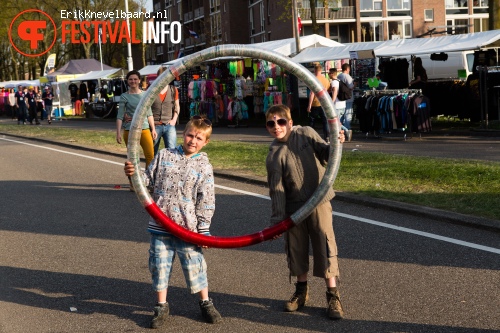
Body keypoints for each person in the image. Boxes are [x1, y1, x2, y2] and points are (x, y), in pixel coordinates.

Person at [123, 116, 222, 329]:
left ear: (205, 142)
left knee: (195, 265)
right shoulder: (164, 155)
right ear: (182, 133)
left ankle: (205, 302)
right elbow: (146, 181)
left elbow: (206, 199)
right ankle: (161, 306)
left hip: (188, 230)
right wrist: (133, 175)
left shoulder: (204, 167)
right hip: (161, 226)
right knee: (159, 266)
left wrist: (203, 230)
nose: (192, 140)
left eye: (199, 138)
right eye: (190, 135)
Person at [265, 104, 345, 320]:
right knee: (296, 249)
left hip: (319, 201)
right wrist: (277, 222)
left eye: (281, 121)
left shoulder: (306, 133)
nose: (276, 126)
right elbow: (277, 191)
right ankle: (301, 292)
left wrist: (336, 143)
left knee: (325, 245)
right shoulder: (274, 155)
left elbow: (326, 153)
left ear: (289, 122)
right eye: (271, 123)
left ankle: (333, 295)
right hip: (294, 210)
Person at [116, 70, 157, 177]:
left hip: (144, 129)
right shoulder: (124, 96)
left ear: (139, 81)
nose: (133, 81)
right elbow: (120, 116)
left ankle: (147, 180)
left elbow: (149, 113)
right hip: (130, 130)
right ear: (127, 81)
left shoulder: (145, 95)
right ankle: (133, 181)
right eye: (130, 79)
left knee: (150, 155)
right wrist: (118, 133)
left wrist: (153, 129)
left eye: (135, 79)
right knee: (133, 158)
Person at [151, 67, 180, 155]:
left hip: (169, 125)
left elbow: (177, 106)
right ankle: (152, 168)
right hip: (155, 126)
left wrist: (174, 119)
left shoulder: (173, 89)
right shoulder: (152, 91)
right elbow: (147, 109)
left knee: (172, 152)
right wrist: (152, 127)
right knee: (152, 152)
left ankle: (169, 169)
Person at [307, 63, 330, 141]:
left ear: (315, 70)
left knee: (312, 120)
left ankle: (309, 136)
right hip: (324, 102)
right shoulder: (326, 80)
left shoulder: (314, 79)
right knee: (325, 121)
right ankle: (327, 137)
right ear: (322, 70)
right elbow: (327, 90)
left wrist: (309, 105)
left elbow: (312, 93)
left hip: (316, 103)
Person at [328, 68, 351, 142]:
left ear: (332, 74)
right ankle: (340, 135)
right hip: (342, 105)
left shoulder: (334, 82)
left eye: (329, 73)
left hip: (337, 105)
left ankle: (346, 131)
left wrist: (332, 102)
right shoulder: (339, 81)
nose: (328, 74)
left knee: (335, 123)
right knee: (338, 122)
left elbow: (335, 92)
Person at [337, 63, 355, 132]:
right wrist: (355, 84)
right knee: (348, 114)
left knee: (341, 115)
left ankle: (340, 128)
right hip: (348, 98)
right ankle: (347, 129)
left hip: (341, 98)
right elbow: (351, 87)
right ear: (347, 69)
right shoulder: (347, 76)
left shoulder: (339, 76)